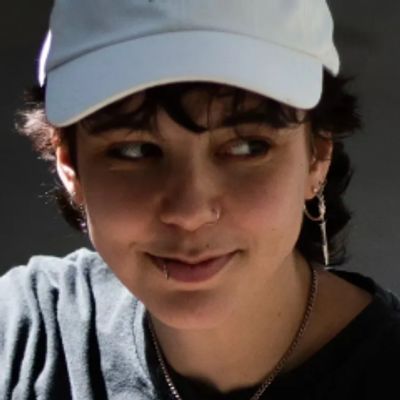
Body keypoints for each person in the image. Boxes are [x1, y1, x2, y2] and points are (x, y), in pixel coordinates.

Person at [1, 0, 400, 399]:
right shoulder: (23, 338)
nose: (190, 212)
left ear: (317, 157)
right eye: (135, 150)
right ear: (69, 163)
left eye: (246, 147)